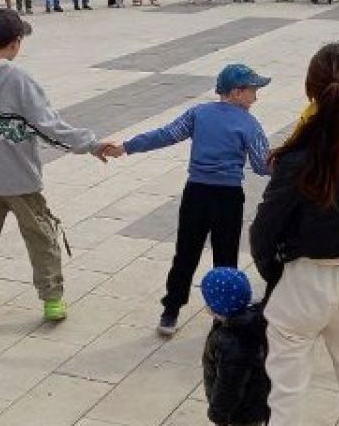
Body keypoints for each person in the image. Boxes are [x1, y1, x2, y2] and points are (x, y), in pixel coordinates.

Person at [0, 9, 110, 333]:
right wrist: (91, 144)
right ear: (16, 43)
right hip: (17, 177)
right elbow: (49, 127)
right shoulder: (18, 79)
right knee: (40, 235)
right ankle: (52, 299)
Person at [250, 43, 339, 426]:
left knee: (286, 399)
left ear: (310, 90)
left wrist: (277, 273)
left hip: (303, 281)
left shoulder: (297, 156)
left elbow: (263, 230)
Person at [103, 63, 270, 335]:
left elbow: (166, 134)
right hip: (228, 198)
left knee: (186, 253)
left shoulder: (198, 113)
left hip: (196, 193)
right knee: (226, 256)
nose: (256, 97)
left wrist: (126, 147)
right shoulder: (249, 123)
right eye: (253, 90)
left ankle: (171, 311)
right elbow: (263, 165)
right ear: (237, 92)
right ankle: (224, 316)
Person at [200, 267, 272, 426]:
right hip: (256, 401)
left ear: (215, 307)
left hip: (241, 412)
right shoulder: (252, 321)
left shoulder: (232, 341)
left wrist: (218, 413)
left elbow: (229, 385)